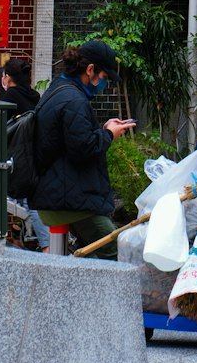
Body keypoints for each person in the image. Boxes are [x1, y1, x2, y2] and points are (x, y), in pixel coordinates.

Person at [29, 40, 135, 258]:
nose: (104, 84)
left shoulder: (58, 89)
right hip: (70, 202)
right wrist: (108, 135)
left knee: (89, 255)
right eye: (104, 78)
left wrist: (103, 129)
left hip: (59, 195)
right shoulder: (74, 100)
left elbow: (71, 141)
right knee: (116, 251)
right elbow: (83, 150)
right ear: (90, 70)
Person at [0, 55, 49, 251]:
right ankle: (19, 238)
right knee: (23, 198)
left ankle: (47, 246)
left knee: (26, 200)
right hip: (32, 154)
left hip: (17, 156)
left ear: (8, 77)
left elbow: (0, 126)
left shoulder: (10, 96)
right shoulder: (34, 96)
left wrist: (4, 90)